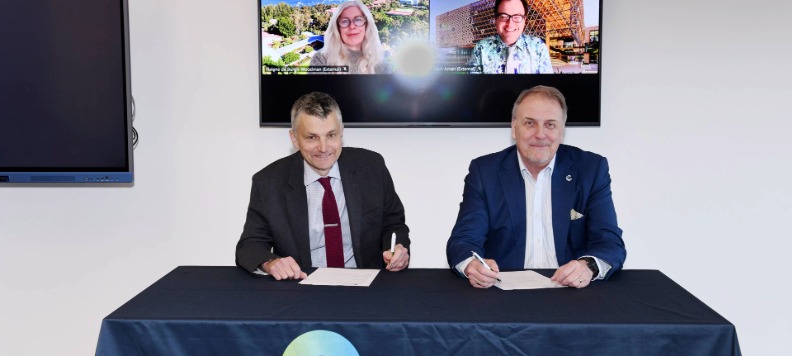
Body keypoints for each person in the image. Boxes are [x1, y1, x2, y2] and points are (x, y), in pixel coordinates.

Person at [446, 85, 625, 289]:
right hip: (504, 294)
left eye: (550, 125)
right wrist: (472, 265)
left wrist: (588, 266)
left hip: (571, 294)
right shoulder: (485, 172)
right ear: (514, 128)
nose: (540, 134)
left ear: (562, 131)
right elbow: (464, 240)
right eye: (530, 123)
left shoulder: (590, 170)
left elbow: (610, 243)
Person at [236, 92, 410, 280]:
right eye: (312, 137)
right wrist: (270, 263)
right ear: (294, 138)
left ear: (341, 132)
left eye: (331, 135)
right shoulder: (269, 182)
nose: (324, 147)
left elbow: (393, 223)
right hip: (302, 285)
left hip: (365, 286)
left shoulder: (371, 167)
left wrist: (398, 248)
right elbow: (250, 245)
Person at [467, 0, 552, 74]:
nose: (510, 24)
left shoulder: (538, 47)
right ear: (496, 19)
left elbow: (547, 88)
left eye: (517, 17)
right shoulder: (480, 49)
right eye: (503, 17)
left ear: (524, 20)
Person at [310, 0, 391, 74]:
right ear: (337, 28)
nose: (352, 26)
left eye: (358, 20)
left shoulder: (380, 63)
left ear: (367, 25)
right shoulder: (321, 60)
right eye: (344, 21)